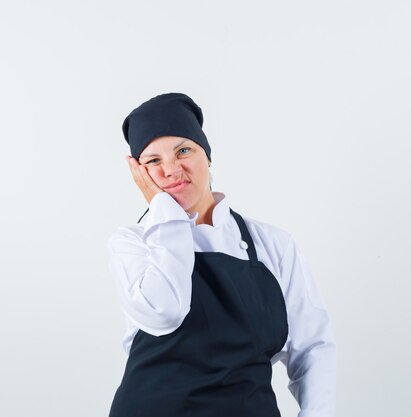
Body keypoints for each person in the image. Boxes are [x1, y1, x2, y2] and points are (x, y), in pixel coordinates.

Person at [107, 92, 336, 417]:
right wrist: (163, 209)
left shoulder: (272, 244)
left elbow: (313, 349)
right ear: (139, 174)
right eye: (153, 161)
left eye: (184, 150)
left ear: (208, 156)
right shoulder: (132, 244)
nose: (171, 170)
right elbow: (165, 311)